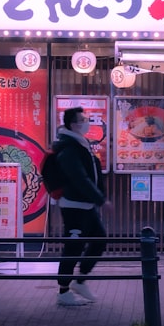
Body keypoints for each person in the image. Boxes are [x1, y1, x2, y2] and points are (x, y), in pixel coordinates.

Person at [54, 107, 112, 305]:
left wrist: (98, 197)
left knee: (99, 240)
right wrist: (101, 199)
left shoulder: (80, 144)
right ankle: (63, 291)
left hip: (86, 205)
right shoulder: (69, 148)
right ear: (73, 124)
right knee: (73, 247)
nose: (87, 122)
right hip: (73, 206)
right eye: (83, 119)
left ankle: (80, 280)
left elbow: (91, 174)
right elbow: (80, 178)